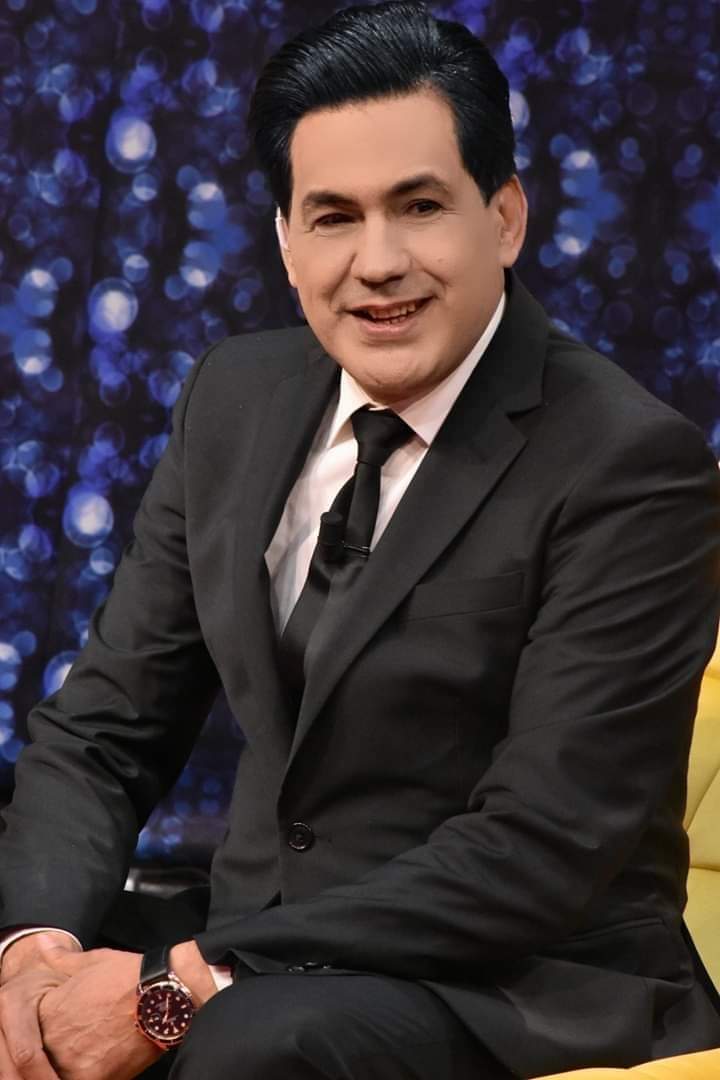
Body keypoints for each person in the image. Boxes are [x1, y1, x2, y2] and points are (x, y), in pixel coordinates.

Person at [1, 2, 719, 1078]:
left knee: (253, 1046)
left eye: (419, 206)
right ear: (286, 243)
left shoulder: (631, 462)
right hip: (257, 952)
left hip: (517, 981)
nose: (377, 262)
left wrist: (181, 983)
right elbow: (105, 731)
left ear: (505, 217)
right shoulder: (233, 399)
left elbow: (538, 849)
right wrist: (35, 958)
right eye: (333, 217)